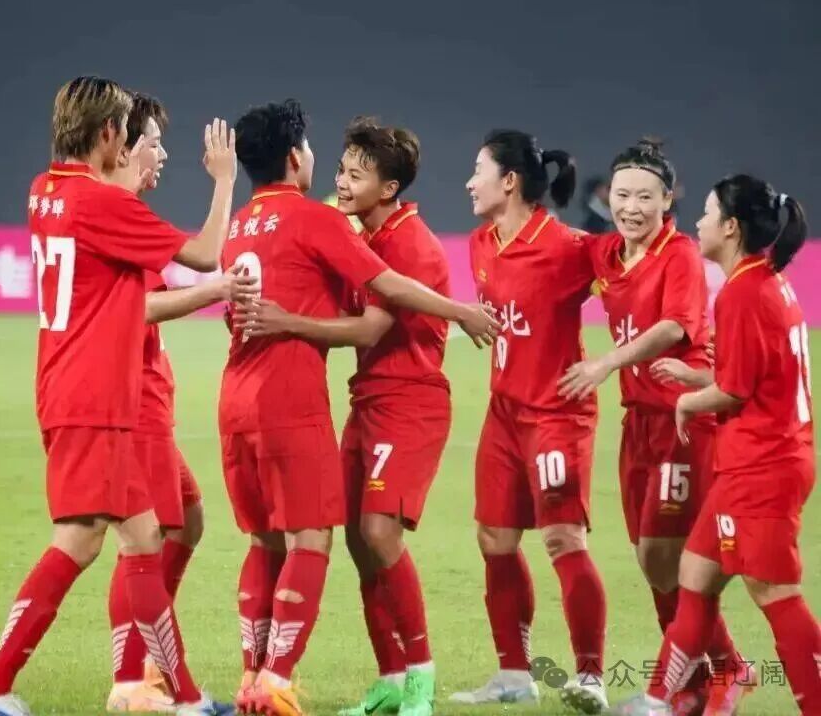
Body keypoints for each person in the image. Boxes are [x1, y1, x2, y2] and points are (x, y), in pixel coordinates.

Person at [0, 76, 237, 716]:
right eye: (131, 134)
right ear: (110, 133)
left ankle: (184, 698)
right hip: (92, 396)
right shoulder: (101, 203)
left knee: (142, 539)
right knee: (80, 541)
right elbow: (205, 254)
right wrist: (224, 181)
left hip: (77, 387)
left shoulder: (45, 190)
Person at [223, 99, 498, 716]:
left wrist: (287, 321)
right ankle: (390, 680)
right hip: (365, 402)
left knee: (377, 532)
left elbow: (373, 327)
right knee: (354, 540)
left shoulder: (412, 243)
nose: (342, 182)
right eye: (341, 170)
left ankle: (421, 680)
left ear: (389, 188)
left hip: (410, 402)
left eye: (357, 174)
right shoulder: (357, 234)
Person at [610, 176, 820, 716]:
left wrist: (687, 400)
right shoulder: (766, 281)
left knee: (775, 594)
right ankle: (659, 699)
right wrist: (695, 377)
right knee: (696, 574)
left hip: (765, 466)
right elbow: (754, 377)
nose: (699, 222)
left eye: (707, 213)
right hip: (751, 461)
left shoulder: (742, 292)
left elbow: (735, 391)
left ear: (731, 227)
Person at [558, 140, 749, 714]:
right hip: (638, 422)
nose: (632, 207)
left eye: (645, 197)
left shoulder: (679, 254)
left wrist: (606, 363)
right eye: (622, 195)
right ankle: (696, 681)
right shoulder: (609, 254)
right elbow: (566, 247)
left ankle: (728, 668)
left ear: (668, 200)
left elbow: (673, 327)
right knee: (651, 561)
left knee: (668, 559)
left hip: (684, 422)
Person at [104, 92, 258, 713]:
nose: (163, 154)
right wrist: (224, 183)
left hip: (148, 398)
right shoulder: (112, 213)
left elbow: (162, 286)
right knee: (142, 540)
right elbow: (144, 303)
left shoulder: (125, 212)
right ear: (121, 145)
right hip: (133, 400)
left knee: (185, 521)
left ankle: (145, 662)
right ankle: (131, 680)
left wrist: (215, 286)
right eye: (154, 142)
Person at [449, 130, 609, 713]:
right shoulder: (479, 243)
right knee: (494, 537)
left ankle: (590, 676)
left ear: (510, 181)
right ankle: (514, 674)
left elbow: (629, 283)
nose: (470, 182)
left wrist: (613, 360)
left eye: (479, 169)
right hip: (504, 414)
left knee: (563, 537)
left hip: (556, 414)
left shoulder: (568, 247)